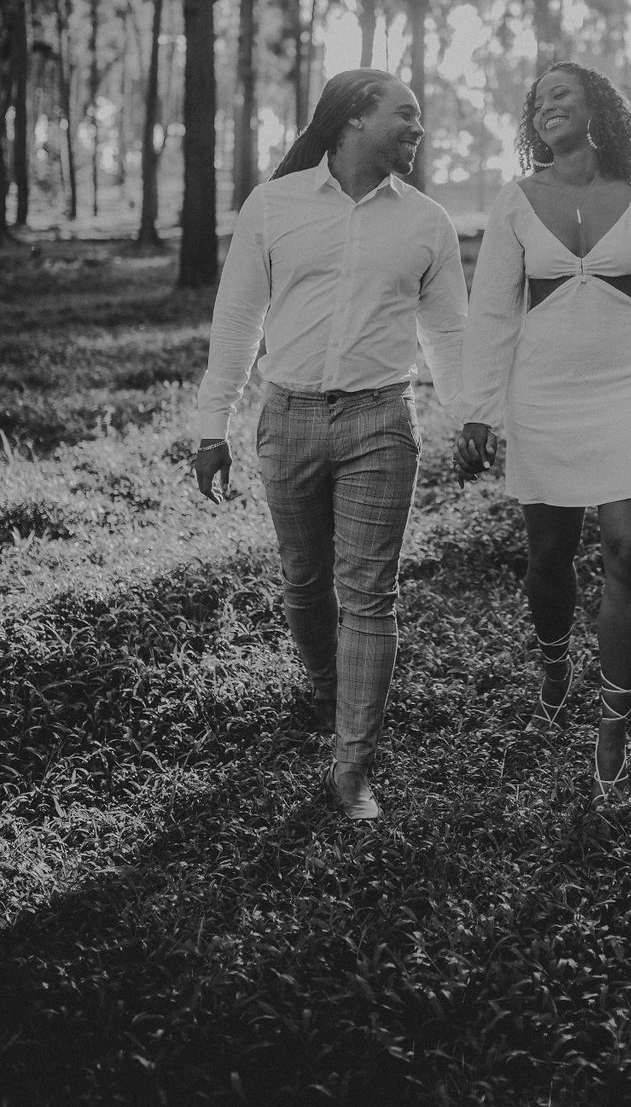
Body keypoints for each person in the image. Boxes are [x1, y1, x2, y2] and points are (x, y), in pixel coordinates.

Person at [193, 69, 467, 823]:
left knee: (370, 596)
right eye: (405, 114)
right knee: (304, 582)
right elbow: (239, 320)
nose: (418, 129)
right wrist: (210, 426)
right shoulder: (274, 206)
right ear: (352, 118)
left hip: (382, 422)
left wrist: (475, 414)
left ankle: (354, 769)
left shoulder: (427, 222)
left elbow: (447, 333)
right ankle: (324, 690)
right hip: (289, 419)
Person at [454, 61, 631, 803]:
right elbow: (493, 311)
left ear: (596, 106)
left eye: (561, 94)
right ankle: (552, 661)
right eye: (537, 101)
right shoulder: (516, 200)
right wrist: (477, 407)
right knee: (549, 555)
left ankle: (612, 717)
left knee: (628, 552)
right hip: (542, 391)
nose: (547, 107)